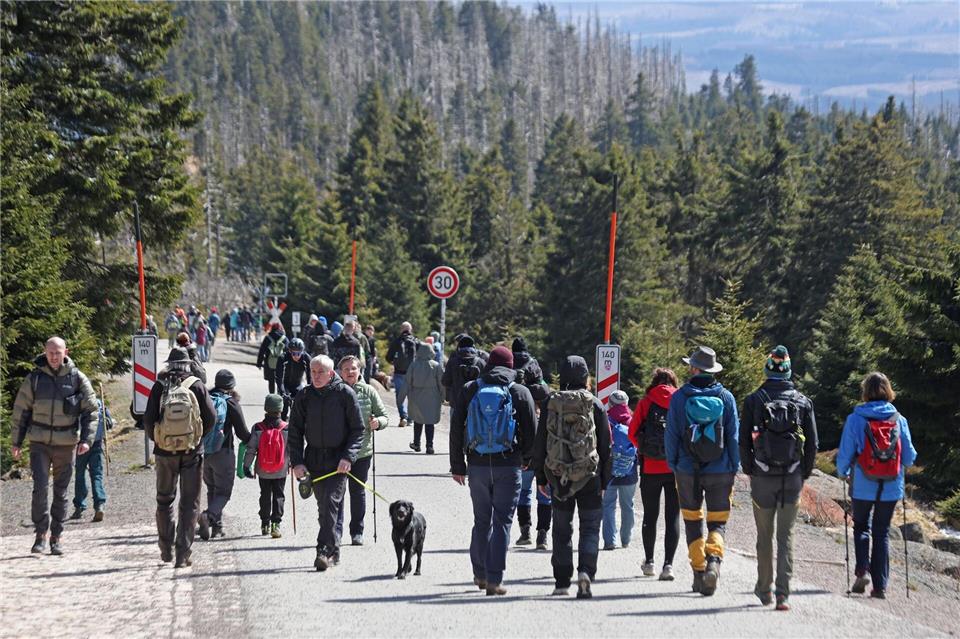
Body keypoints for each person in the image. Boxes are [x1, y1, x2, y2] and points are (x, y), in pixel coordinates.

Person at [450, 346, 537, 596]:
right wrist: (527, 459)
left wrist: (458, 466)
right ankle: (494, 579)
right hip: (508, 464)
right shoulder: (519, 392)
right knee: (502, 522)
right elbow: (531, 429)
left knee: (481, 520)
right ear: (511, 366)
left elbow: (457, 429)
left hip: (476, 465)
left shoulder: (470, 389)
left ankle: (479, 573)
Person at [739, 345, 818, 611]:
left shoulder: (753, 400)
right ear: (788, 371)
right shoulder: (803, 401)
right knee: (787, 535)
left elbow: (743, 442)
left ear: (767, 369)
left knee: (764, 536)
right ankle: (783, 594)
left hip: (763, 477)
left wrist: (750, 469)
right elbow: (813, 444)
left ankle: (764, 590)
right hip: (792, 476)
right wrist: (804, 472)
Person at [533, 355, 612, 599]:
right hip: (589, 475)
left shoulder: (550, 403)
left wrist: (541, 477)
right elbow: (606, 446)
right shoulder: (595, 404)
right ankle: (586, 572)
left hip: (558, 475)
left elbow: (540, 443)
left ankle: (561, 581)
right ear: (585, 377)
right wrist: (604, 481)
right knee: (589, 527)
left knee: (561, 528)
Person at [11, 337, 98, 555]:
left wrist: (86, 440)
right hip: (39, 443)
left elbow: (92, 410)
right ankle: (40, 534)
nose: (54, 357)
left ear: (65, 352)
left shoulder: (77, 378)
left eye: (58, 353)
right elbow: (21, 411)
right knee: (40, 489)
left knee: (61, 492)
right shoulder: (35, 379)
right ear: (45, 352)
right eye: (50, 353)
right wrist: (17, 442)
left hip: (66, 444)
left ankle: (56, 536)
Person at [665, 346, 740, 596]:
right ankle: (714, 563)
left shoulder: (679, 397)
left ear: (694, 368)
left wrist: (674, 464)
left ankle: (698, 573)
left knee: (692, 520)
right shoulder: (726, 398)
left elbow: (672, 435)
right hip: (720, 470)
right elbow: (733, 437)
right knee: (717, 522)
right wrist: (733, 467)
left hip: (687, 470)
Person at [836, 371, 916, 600]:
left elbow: (845, 454)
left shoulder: (855, 419)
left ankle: (862, 570)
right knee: (881, 533)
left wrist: (843, 472)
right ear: (888, 390)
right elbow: (909, 457)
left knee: (861, 526)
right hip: (891, 486)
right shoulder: (899, 420)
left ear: (865, 392)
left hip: (863, 483)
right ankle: (880, 587)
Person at [289, 355, 364, 571]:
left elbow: (358, 430)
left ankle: (323, 550)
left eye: (321, 372)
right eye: (312, 371)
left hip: (337, 461)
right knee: (324, 508)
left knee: (331, 502)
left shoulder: (344, 394)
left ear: (331, 373)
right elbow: (294, 432)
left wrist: (348, 457)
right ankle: (334, 548)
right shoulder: (304, 396)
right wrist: (297, 462)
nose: (316, 376)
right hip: (313, 459)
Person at [143, 348, 216, 567]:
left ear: (168, 365)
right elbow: (211, 417)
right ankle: (183, 554)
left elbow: (148, 420)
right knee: (189, 503)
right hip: (192, 452)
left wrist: (159, 440)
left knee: (164, 500)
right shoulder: (196, 385)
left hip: (165, 454)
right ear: (188, 364)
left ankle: (166, 549)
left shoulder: (159, 386)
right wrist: (197, 438)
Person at [628, 368, 681, 581]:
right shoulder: (681, 401)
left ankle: (649, 562)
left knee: (651, 515)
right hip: (675, 468)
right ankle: (668, 565)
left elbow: (632, 433)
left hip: (650, 467)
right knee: (673, 516)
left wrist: (643, 450)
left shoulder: (646, 402)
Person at [336, 356, 390, 545]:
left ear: (359, 371)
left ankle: (357, 531)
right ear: (340, 372)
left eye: (353, 368)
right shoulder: (334, 391)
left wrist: (378, 423)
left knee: (357, 492)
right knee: (337, 493)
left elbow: (385, 416)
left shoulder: (369, 391)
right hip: (338, 452)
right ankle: (336, 531)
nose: (350, 372)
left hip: (362, 452)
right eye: (346, 369)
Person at [198, 369, 250, 540]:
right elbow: (242, 433)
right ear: (231, 385)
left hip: (204, 452)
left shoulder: (206, 398)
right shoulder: (230, 402)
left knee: (212, 488)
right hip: (223, 453)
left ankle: (217, 527)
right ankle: (208, 515)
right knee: (224, 492)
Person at [511, 336, 552, 548]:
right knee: (545, 491)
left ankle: (525, 531)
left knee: (524, 491)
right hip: (543, 446)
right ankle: (542, 535)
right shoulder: (536, 370)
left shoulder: (511, 375)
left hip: (523, 445)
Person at [243, 394, 290, 538]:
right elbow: (292, 449)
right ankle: (276, 524)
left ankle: (265, 524)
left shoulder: (258, 428)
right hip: (281, 469)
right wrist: (295, 464)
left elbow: (251, 448)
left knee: (264, 495)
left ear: (266, 409)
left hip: (263, 469)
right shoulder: (287, 428)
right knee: (279, 495)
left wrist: (247, 465)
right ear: (280, 410)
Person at [603, 390, 638, 551]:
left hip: (608, 470)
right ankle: (626, 539)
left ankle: (610, 540)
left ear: (610, 403)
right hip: (629, 471)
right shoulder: (633, 420)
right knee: (627, 505)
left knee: (608, 505)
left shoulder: (605, 420)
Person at [71, 400, 113, 522]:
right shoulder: (99, 403)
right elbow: (109, 423)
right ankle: (99, 504)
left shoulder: (77, 402)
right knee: (97, 475)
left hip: (82, 443)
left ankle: (79, 506)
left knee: (80, 474)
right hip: (97, 443)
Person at [400, 342, 444, 454]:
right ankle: (430, 446)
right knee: (430, 422)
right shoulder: (436, 365)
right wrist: (444, 396)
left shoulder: (413, 365)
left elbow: (407, 382)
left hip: (416, 396)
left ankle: (416, 444)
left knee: (418, 421)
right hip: (433, 396)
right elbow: (441, 383)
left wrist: (400, 398)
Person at [386, 322, 418, 428]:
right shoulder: (415, 341)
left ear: (401, 329)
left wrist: (394, 362)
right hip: (412, 373)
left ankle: (403, 416)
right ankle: (410, 419)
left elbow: (388, 357)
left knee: (400, 396)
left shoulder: (397, 341)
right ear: (410, 330)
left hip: (399, 372)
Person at [441, 333, 484, 413]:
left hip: (457, 403)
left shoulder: (453, 361)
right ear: (473, 346)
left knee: (456, 425)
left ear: (459, 347)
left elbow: (445, 381)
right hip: (475, 403)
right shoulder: (481, 362)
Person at [275, 338, 312, 421]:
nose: (296, 356)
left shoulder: (306, 358)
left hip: (297, 384)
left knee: (299, 407)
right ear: (289, 351)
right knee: (284, 406)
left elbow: (310, 376)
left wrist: (309, 389)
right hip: (285, 384)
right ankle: (283, 424)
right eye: (293, 353)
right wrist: (282, 392)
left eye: (299, 353)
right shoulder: (283, 358)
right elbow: (279, 377)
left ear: (302, 351)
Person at [257, 322, 287, 394]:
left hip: (269, 363)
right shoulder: (284, 338)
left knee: (271, 381)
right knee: (280, 381)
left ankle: (272, 396)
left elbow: (262, 351)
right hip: (281, 363)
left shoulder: (268, 338)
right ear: (280, 328)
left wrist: (259, 363)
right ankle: (280, 396)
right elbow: (288, 350)